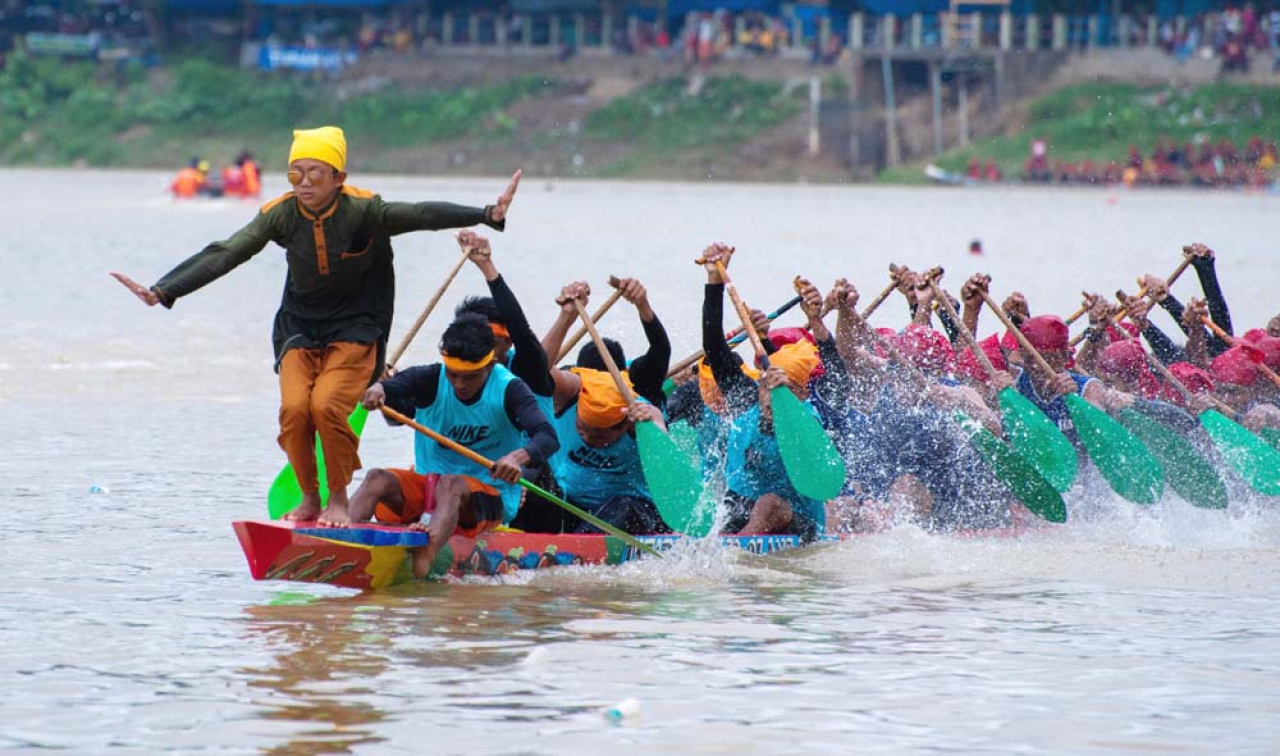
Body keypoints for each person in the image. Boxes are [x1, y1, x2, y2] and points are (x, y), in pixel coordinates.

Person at [112, 126, 522, 526]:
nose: (303, 184)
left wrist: (486, 214)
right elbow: (228, 252)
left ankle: (338, 499)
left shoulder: (363, 210)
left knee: (326, 406)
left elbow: (420, 214)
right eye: (296, 174)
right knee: (294, 411)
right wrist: (163, 290)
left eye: (315, 174)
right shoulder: (281, 214)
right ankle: (310, 498)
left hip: (357, 328)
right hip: (299, 328)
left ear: (339, 178)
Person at [348, 315, 559, 578]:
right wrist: (378, 388)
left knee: (450, 483)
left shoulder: (510, 389)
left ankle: (426, 558)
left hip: (489, 498)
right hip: (430, 492)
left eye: (469, 377)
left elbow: (548, 436)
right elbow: (396, 389)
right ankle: (341, 543)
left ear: (490, 364)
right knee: (376, 478)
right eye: (453, 375)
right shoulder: (432, 377)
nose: (459, 384)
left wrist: (517, 458)